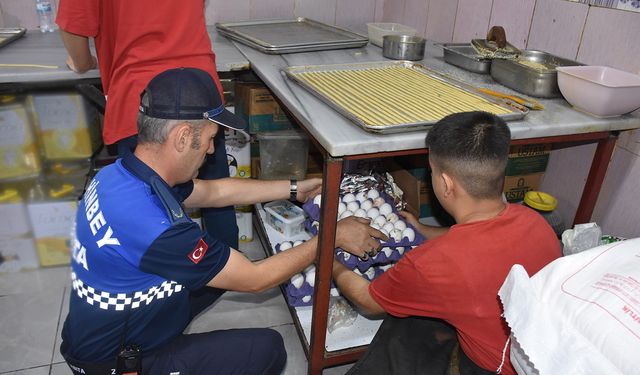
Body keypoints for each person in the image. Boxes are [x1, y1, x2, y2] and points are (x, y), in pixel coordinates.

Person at [59, 67, 387, 375]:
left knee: (217, 273)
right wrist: (333, 236)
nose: (213, 150)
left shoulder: (123, 173)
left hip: (104, 325)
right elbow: (256, 279)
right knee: (268, 348)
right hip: (115, 360)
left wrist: (294, 189)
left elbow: (212, 192)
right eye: (211, 138)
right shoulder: (160, 230)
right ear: (183, 137)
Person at [332, 112, 562, 375]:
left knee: (401, 326)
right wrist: (421, 229)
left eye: (432, 171)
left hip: (491, 368)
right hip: (537, 355)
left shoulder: (433, 264)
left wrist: (329, 250)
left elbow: (367, 301)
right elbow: (480, 240)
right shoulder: (536, 222)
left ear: (445, 183)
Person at [56, 0, 240, 249]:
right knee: (215, 195)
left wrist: (83, 62)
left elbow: (74, 25)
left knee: (148, 211)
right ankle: (226, 275)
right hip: (198, 88)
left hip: (142, 98)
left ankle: (164, 282)